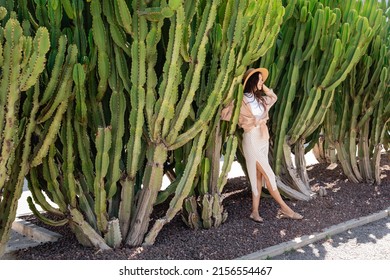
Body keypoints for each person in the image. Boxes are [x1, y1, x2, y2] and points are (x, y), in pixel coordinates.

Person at [222, 68, 303, 222]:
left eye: (262, 80)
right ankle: (285, 209)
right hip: (251, 138)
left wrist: (263, 87)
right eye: (259, 80)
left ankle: (254, 211)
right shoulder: (241, 101)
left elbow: (274, 97)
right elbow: (224, 113)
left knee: (257, 176)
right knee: (269, 175)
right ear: (251, 82)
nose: (261, 82)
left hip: (262, 139)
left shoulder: (260, 99)